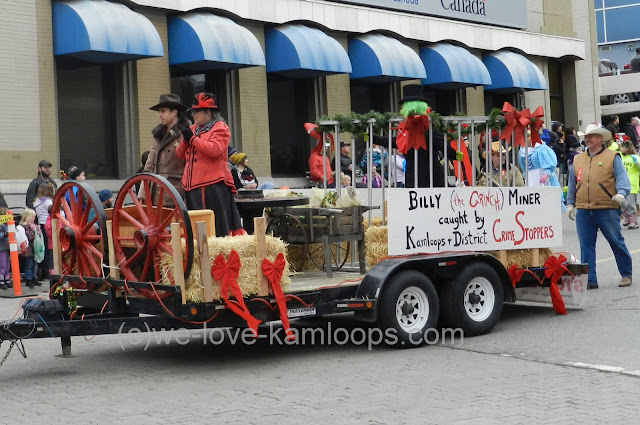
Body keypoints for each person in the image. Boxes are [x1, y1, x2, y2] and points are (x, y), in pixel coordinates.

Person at [566, 123, 632, 289]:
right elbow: (572, 184)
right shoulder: (578, 158)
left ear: (600, 139)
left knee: (616, 241)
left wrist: (621, 193)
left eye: (591, 136)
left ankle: (626, 273)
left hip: (606, 207)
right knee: (586, 246)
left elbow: (623, 179)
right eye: (586, 136)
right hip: (583, 209)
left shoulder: (612, 156)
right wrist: (569, 203)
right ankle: (590, 279)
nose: (587, 139)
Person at [176, 92, 244, 237]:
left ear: (208, 112)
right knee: (194, 223)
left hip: (212, 184)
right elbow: (179, 154)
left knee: (215, 224)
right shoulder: (193, 129)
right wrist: (185, 140)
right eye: (192, 112)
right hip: (191, 184)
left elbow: (215, 150)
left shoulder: (220, 128)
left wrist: (193, 139)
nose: (193, 115)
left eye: (196, 111)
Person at [140, 94, 190, 205]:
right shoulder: (158, 134)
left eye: (163, 111)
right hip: (156, 191)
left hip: (177, 192)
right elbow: (149, 165)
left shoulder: (186, 133)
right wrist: (143, 193)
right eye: (159, 112)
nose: (160, 115)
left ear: (174, 112)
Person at [33, 182, 55, 279]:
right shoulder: (48, 202)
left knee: (42, 249)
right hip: (48, 225)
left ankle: (42, 271)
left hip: (40, 226)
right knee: (48, 250)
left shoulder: (37, 201)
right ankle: (47, 272)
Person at [304, 123, 335, 187]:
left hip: (330, 182)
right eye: (325, 146)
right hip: (321, 183)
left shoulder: (325, 157)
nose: (326, 148)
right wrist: (322, 176)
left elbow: (329, 170)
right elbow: (313, 170)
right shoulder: (314, 157)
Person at [19, 208, 43, 288]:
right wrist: (35, 232)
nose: (33, 218)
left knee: (34, 264)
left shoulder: (34, 226)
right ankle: (28, 279)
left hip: (34, 248)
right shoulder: (24, 226)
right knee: (29, 264)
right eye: (32, 216)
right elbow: (28, 236)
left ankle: (34, 277)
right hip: (28, 249)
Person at [619, 140, 640, 229]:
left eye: (622, 147)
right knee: (622, 203)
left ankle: (633, 221)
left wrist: (636, 163)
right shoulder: (620, 157)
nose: (620, 148)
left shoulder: (635, 157)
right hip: (622, 183)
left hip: (632, 184)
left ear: (627, 148)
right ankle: (627, 217)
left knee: (631, 203)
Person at [0, 200, 10, 289]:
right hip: (1, 247)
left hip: (7, 246)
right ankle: (1, 281)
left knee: (7, 264)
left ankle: (7, 279)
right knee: (2, 264)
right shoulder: (1, 224)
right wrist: (5, 234)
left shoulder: (6, 223)